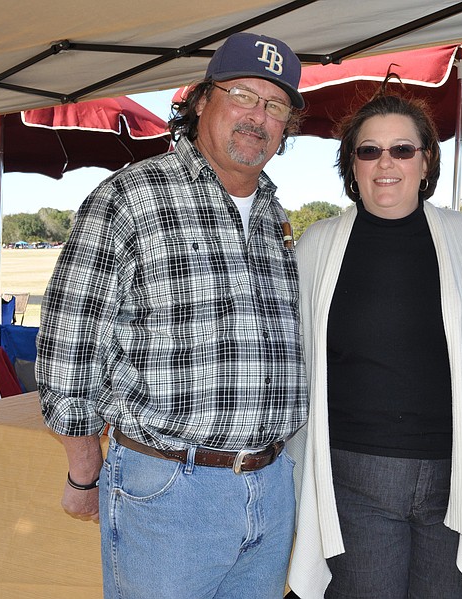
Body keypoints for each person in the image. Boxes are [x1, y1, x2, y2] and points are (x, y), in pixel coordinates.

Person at [35, 32, 307, 599]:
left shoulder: (274, 215)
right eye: (242, 94)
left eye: (275, 105)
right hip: (168, 491)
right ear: (201, 101)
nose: (258, 116)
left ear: (286, 127)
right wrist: (84, 470)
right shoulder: (131, 197)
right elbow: (70, 346)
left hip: (272, 485)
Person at [286, 89, 462, 599]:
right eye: (369, 150)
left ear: (426, 161)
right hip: (355, 480)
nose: (386, 163)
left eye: (402, 149)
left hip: (457, 475)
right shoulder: (317, 245)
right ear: (352, 165)